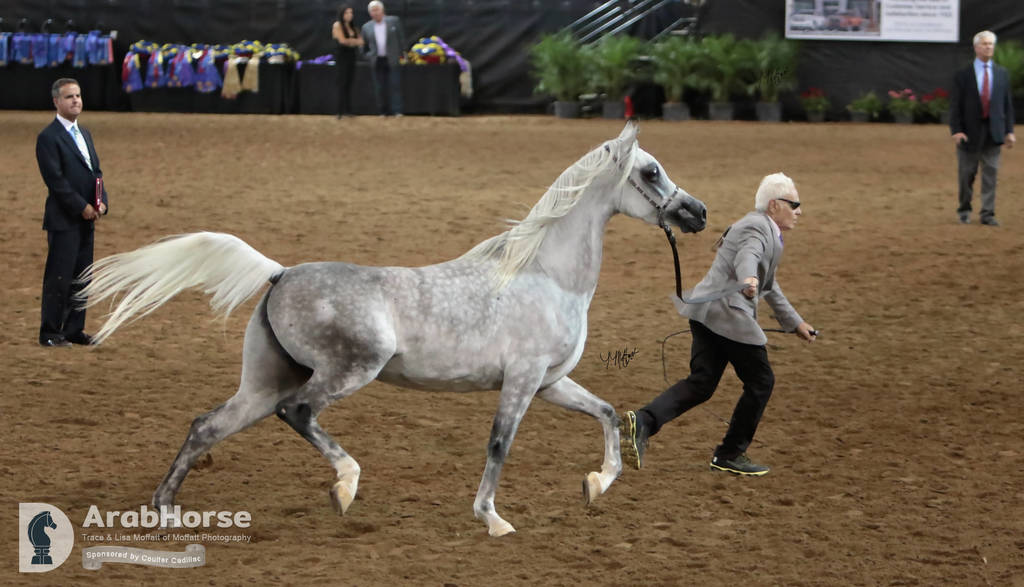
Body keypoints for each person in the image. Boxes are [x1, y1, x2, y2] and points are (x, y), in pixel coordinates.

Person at [622, 173, 815, 476]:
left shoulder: (763, 228)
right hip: (728, 315)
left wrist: (796, 323)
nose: (799, 211)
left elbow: (770, 285)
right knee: (761, 381)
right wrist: (747, 277)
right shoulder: (757, 227)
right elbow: (748, 256)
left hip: (706, 313)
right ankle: (729, 454)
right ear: (774, 205)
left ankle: (643, 422)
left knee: (701, 382)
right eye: (794, 204)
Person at [36, 78, 108, 348]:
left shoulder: (85, 134)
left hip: (87, 219)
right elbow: (55, 181)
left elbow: (95, 172)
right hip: (64, 220)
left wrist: (101, 202)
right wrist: (82, 207)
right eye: (69, 97)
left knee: (82, 278)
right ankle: (50, 331)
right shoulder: (48, 137)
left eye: (78, 96)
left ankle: (74, 329)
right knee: (59, 278)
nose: (76, 100)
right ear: (56, 102)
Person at [949, 30, 1015, 227]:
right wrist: (956, 130)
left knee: (991, 174)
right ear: (976, 47)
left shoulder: (1002, 74)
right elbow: (955, 105)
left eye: (991, 44)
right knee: (966, 174)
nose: (988, 47)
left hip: (994, 132)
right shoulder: (963, 75)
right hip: (969, 132)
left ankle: (987, 213)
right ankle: (964, 209)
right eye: (985, 44)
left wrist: (1009, 131)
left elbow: (1007, 105)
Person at [361, 0, 405, 116]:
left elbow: (401, 39)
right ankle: (383, 111)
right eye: (372, 11)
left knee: (395, 85)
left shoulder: (394, 21)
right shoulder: (366, 27)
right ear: (370, 13)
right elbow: (363, 46)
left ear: (382, 10)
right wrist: (369, 56)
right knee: (379, 87)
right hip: (377, 61)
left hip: (392, 58)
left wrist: (402, 54)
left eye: (377, 10)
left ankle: (397, 110)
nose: (375, 13)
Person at [331, 4, 363, 118]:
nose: (349, 15)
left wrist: (351, 41)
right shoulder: (337, 25)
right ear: (342, 14)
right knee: (342, 83)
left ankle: (348, 110)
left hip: (351, 57)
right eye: (347, 12)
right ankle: (339, 111)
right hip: (341, 57)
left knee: (349, 82)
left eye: (351, 13)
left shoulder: (354, 27)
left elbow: (361, 41)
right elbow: (342, 41)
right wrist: (353, 41)